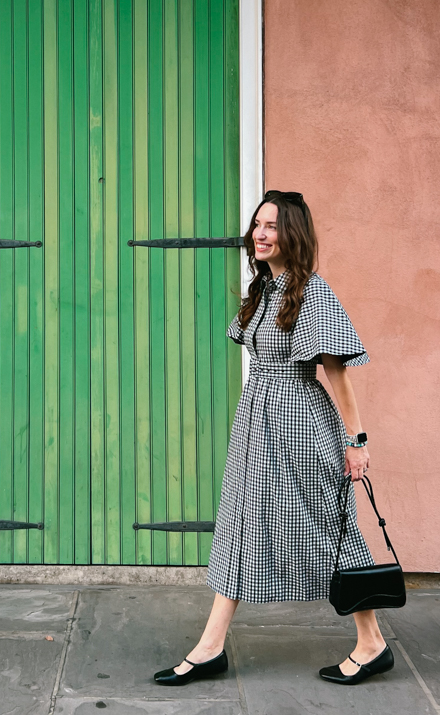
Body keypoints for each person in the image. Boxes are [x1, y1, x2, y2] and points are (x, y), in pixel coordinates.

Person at [154, 190, 393, 687]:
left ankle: (371, 643)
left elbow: (335, 371)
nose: (261, 234)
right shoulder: (264, 289)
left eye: (273, 226)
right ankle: (210, 646)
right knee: (240, 523)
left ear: (293, 235)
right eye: (257, 224)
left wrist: (357, 439)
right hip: (258, 423)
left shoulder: (312, 291)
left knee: (334, 530)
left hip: (302, 426)